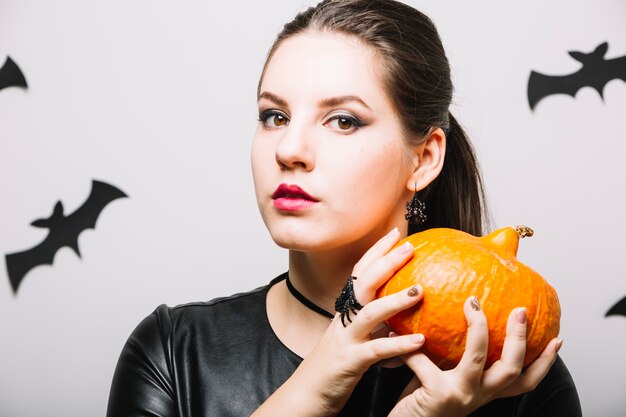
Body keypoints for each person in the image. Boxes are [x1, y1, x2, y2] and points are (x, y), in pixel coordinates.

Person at [106, 1, 583, 416]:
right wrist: (313, 385)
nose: (289, 148)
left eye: (343, 120)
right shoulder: (173, 352)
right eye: (275, 116)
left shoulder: (512, 373)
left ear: (424, 158)